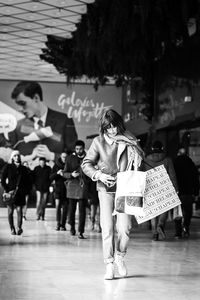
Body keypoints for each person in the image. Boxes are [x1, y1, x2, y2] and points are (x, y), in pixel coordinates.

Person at [82, 109, 144, 280]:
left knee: (125, 228)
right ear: (103, 127)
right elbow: (86, 164)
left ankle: (120, 257)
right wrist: (99, 175)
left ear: (119, 124)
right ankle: (109, 264)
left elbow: (141, 157)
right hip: (105, 189)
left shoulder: (129, 138)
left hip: (126, 189)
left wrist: (137, 156)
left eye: (115, 126)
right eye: (108, 128)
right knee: (107, 227)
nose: (113, 131)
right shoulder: (98, 142)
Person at [9, 81, 77, 166]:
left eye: (23, 103)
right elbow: (9, 158)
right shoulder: (18, 126)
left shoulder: (64, 121)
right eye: (18, 104)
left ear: (36, 98)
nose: (20, 109)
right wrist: (30, 157)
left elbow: (76, 156)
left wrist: (53, 156)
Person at [143, 140, 178, 241]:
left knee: (153, 211)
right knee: (165, 208)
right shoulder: (167, 159)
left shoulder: (146, 160)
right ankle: (160, 225)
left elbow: (144, 174)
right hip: (164, 187)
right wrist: (176, 189)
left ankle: (155, 233)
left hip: (150, 187)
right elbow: (172, 175)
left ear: (152, 149)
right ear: (162, 148)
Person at [1, 150, 31, 235]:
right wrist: (7, 190)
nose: (17, 157)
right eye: (15, 156)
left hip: (20, 193)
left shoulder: (23, 168)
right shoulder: (8, 167)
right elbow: (2, 179)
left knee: (19, 210)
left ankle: (19, 228)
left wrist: (25, 191)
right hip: (10, 193)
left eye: (18, 155)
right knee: (10, 211)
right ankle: (12, 228)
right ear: (12, 158)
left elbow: (28, 181)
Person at [63, 140, 88, 239]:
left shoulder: (88, 158)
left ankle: (81, 231)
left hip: (83, 186)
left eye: (80, 149)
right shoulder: (70, 158)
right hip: (72, 186)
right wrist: (71, 175)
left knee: (82, 211)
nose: (78, 151)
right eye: (77, 149)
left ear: (83, 148)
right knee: (71, 210)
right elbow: (65, 173)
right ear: (75, 149)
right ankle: (72, 227)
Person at [173, 147, 200, 238]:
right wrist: (196, 193)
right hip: (188, 192)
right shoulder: (191, 163)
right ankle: (186, 228)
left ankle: (178, 233)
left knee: (177, 212)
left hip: (177, 192)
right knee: (187, 212)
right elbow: (196, 179)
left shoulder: (174, 163)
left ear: (178, 153)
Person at [50, 152, 68, 231]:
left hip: (67, 190)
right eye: (63, 157)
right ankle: (58, 224)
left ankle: (63, 225)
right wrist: (57, 173)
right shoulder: (56, 165)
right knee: (57, 207)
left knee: (65, 208)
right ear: (60, 157)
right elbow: (51, 177)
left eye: (66, 157)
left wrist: (64, 174)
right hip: (58, 189)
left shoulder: (69, 165)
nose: (64, 159)